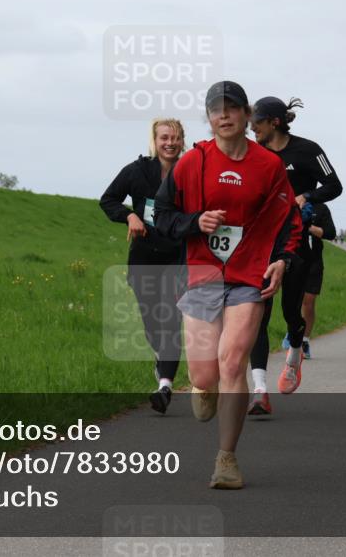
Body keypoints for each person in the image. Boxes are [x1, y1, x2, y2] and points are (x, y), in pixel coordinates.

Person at [154, 81, 300, 489]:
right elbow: (161, 213)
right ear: (208, 116)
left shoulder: (268, 166)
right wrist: (192, 222)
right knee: (204, 374)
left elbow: (290, 219)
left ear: (246, 114)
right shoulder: (192, 163)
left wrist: (283, 260)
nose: (224, 115)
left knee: (233, 361)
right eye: (215, 109)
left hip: (248, 277)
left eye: (232, 108)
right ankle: (204, 389)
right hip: (202, 274)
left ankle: (226, 459)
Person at [245, 96, 343, 414]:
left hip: (297, 239)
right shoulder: (252, 153)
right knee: (258, 311)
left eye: (256, 121)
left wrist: (306, 195)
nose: (251, 127)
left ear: (274, 121)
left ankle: (295, 350)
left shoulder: (308, 150)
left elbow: (334, 185)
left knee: (291, 311)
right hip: (261, 241)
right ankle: (259, 389)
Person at [99, 119, 187, 414]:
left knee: (171, 317)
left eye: (175, 138)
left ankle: (165, 385)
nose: (170, 143)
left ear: (182, 140)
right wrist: (129, 216)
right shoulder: (137, 171)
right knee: (152, 322)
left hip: (178, 255)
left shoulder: (190, 171)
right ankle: (161, 359)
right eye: (164, 137)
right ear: (154, 140)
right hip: (144, 256)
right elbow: (108, 199)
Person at [298, 202, 336, 362]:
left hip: (313, 262)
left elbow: (330, 233)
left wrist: (309, 228)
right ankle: (293, 331)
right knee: (292, 303)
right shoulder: (288, 200)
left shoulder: (320, 207)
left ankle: (304, 340)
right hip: (292, 260)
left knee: (308, 302)